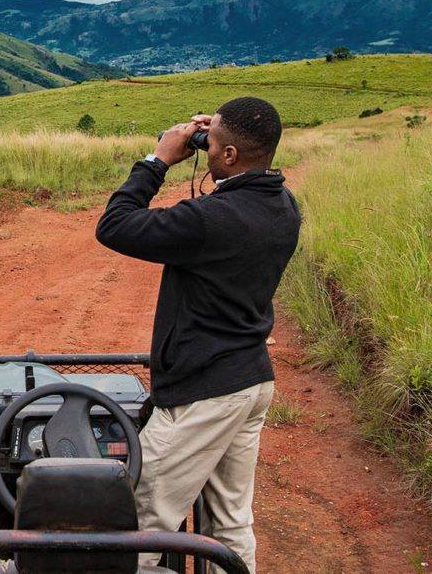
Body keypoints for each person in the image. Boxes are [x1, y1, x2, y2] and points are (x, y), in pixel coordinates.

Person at [94, 96, 301, 573]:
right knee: (229, 524)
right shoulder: (283, 204)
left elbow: (115, 226)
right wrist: (226, 138)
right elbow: (247, 178)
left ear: (229, 156)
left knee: (141, 519)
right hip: (251, 382)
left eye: (215, 146)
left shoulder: (211, 221)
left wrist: (158, 160)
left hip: (204, 394)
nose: (205, 150)